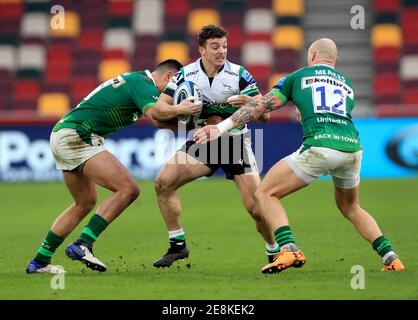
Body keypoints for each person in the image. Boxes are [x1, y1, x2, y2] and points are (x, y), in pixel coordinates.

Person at [194, 38, 405, 273]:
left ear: (312, 54)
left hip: (320, 147)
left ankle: (288, 250)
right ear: (333, 60)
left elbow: (262, 107)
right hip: (353, 149)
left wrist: (220, 127)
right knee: (351, 207)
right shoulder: (346, 85)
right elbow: (323, 111)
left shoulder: (298, 76)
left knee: (265, 193)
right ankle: (391, 258)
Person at [26, 59, 186, 274]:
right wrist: (183, 109)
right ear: (168, 78)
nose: (173, 94)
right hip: (79, 134)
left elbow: (159, 121)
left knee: (84, 202)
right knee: (128, 189)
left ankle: (39, 262)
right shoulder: (143, 84)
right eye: (175, 88)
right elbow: (156, 115)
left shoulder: (138, 82)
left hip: (64, 133)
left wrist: (195, 125)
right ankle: (83, 244)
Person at [151, 24, 278, 268]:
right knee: (162, 183)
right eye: (215, 47)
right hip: (203, 143)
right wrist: (180, 109)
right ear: (201, 50)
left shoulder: (240, 74)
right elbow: (159, 108)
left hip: (235, 143)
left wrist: (252, 101)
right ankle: (178, 246)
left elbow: (265, 116)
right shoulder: (185, 76)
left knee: (256, 208)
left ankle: (274, 252)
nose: (222, 51)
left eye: (225, 46)